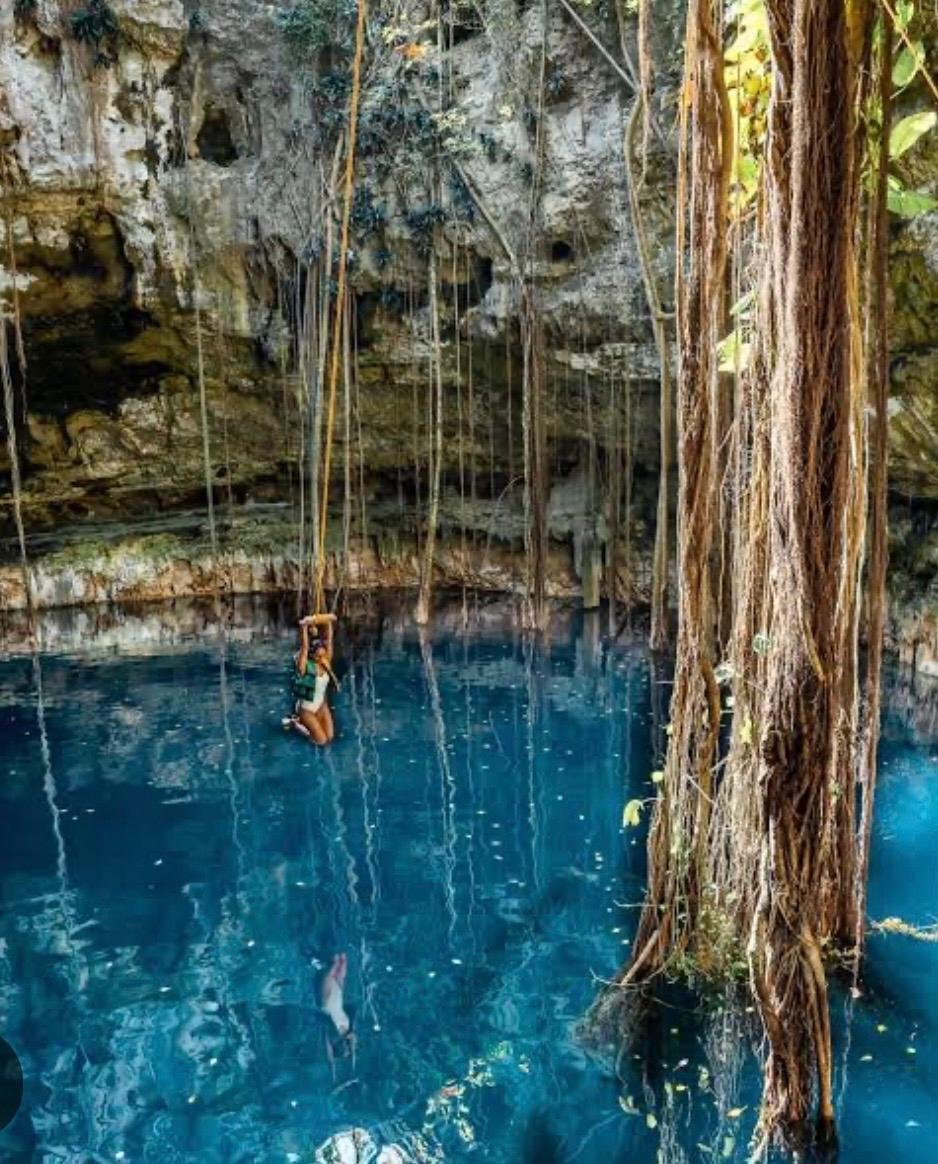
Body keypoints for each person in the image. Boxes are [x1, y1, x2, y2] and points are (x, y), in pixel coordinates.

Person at [283, 613, 338, 746]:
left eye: (324, 654)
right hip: (306, 709)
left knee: (330, 738)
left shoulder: (325, 662)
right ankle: (296, 723)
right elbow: (305, 647)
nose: (323, 658)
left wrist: (329, 622)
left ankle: (303, 723)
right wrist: (304, 627)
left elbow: (329, 641)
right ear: (313, 656)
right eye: (320, 656)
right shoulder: (305, 667)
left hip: (321, 705)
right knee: (321, 741)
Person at [320, 952, 355, 1071]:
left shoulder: (331, 1034)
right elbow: (353, 1045)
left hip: (327, 1000)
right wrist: (353, 1063)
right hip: (338, 995)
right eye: (348, 1050)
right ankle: (332, 953)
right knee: (342, 960)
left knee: (335, 964)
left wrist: (333, 1071)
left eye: (345, 1051)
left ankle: (328, 956)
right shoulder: (348, 1034)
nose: (348, 1049)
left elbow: (329, 1052)